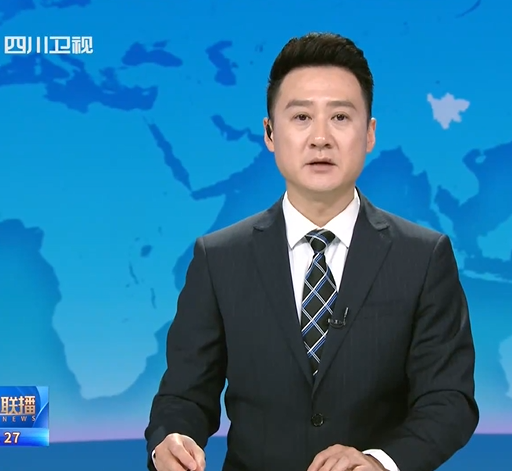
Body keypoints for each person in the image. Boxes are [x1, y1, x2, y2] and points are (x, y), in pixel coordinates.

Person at [144, 32, 479, 471]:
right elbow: (185, 395)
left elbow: (449, 400)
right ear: (270, 133)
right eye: (301, 117)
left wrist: (379, 462)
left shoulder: (423, 257)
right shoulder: (219, 258)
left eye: (340, 117)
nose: (321, 138)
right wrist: (172, 439)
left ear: (369, 133)